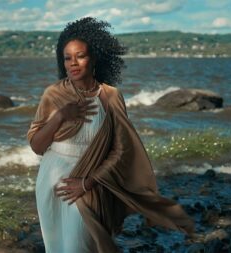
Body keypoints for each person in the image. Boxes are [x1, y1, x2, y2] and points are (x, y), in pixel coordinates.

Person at [27, 17, 194, 253]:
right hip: (53, 178)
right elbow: (36, 145)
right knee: (58, 248)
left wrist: (87, 182)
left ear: (94, 58)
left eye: (80, 56)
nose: (73, 63)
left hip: (91, 180)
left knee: (79, 246)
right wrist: (60, 116)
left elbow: (121, 149)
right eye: (67, 58)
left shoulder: (111, 96)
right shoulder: (53, 94)